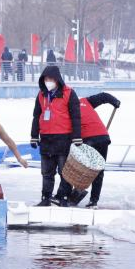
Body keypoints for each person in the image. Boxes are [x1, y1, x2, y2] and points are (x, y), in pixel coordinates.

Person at [58, 92, 121, 208]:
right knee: (98, 171)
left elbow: (67, 131)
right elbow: (103, 96)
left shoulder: (66, 110)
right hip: (103, 137)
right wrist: (114, 101)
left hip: (87, 139)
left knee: (80, 168)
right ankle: (93, 201)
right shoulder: (85, 101)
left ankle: (71, 194)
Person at [30, 64, 80, 207]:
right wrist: (34, 135)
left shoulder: (69, 93)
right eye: (46, 79)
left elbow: (76, 117)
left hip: (63, 138)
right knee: (47, 172)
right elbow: (36, 116)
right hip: (46, 139)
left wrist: (77, 137)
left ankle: (63, 197)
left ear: (58, 79)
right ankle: (46, 197)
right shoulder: (41, 95)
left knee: (64, 172)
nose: (48, 82)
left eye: (51, 79)